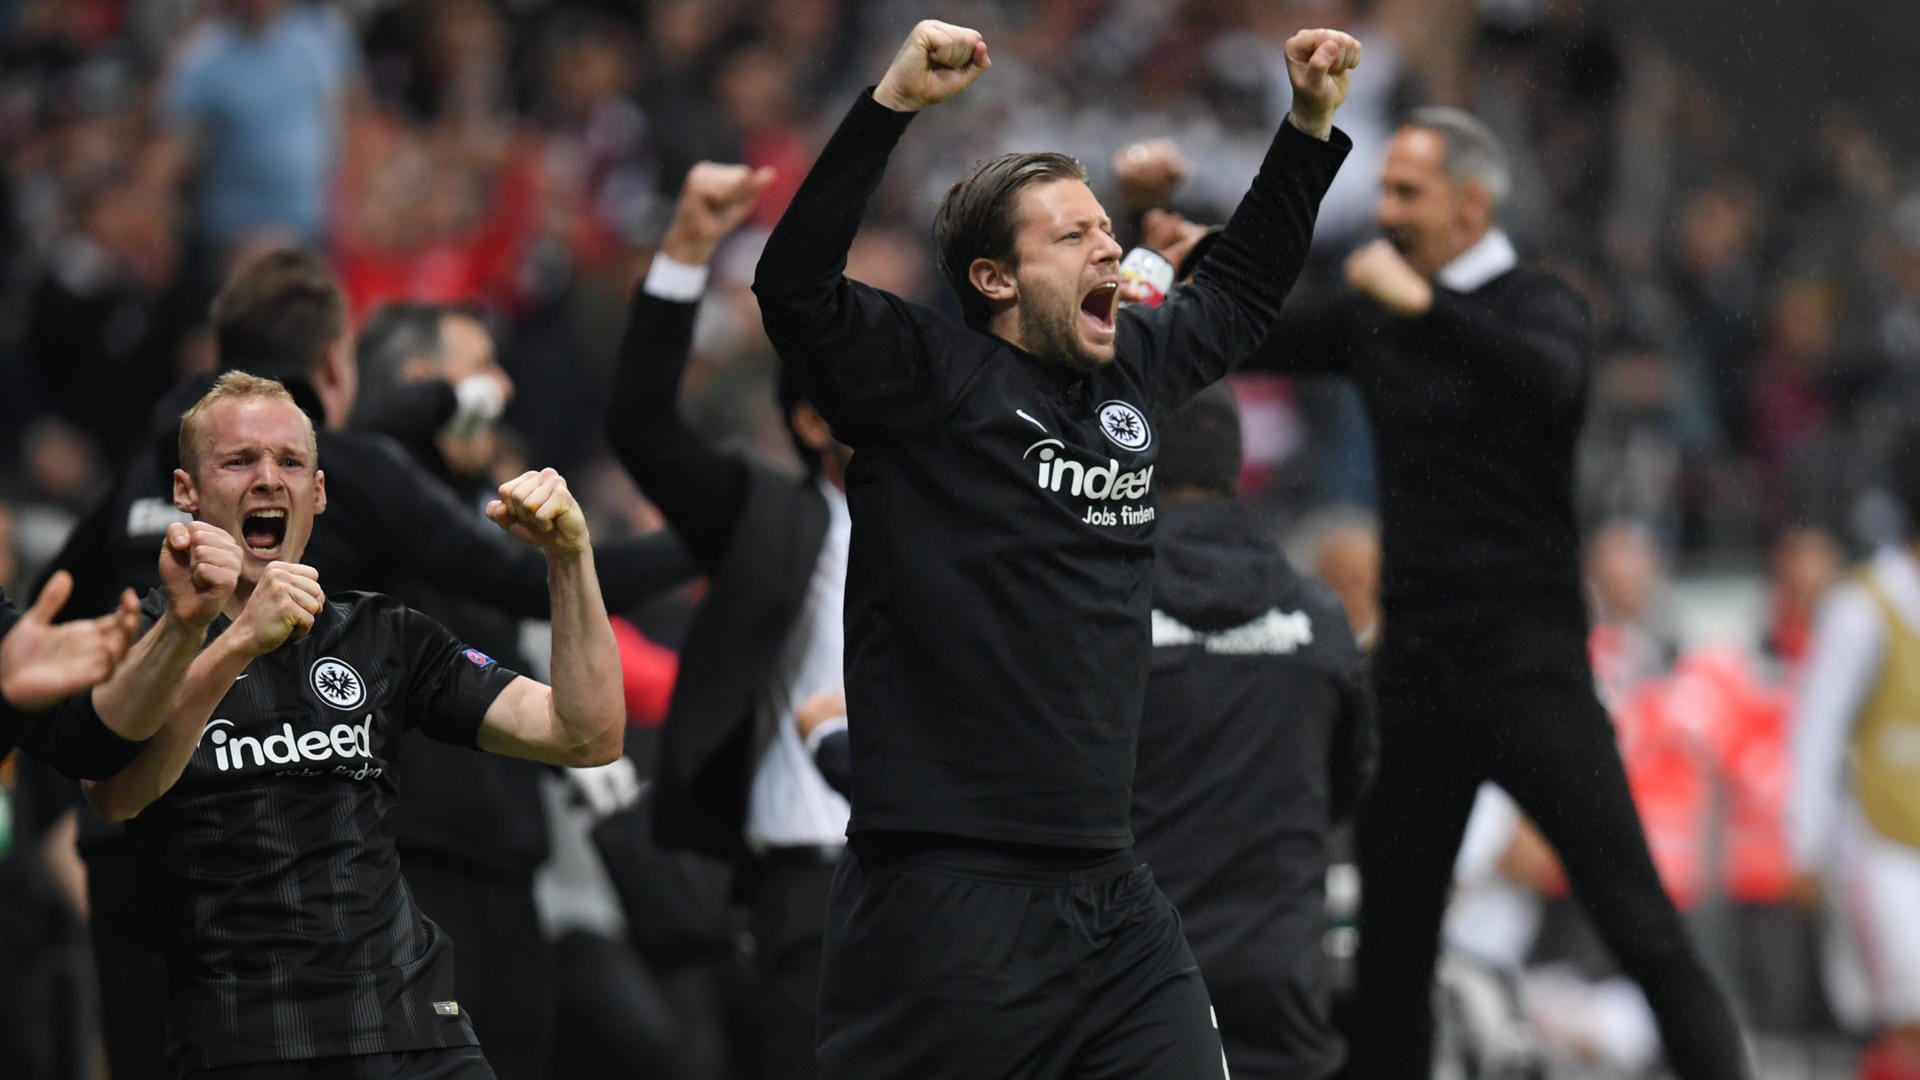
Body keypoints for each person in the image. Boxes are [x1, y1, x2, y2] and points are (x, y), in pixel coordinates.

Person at [753, 18, 1356, 1076]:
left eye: (1104, 230)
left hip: (1108, 882)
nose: (1109, 248)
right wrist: (890, 102)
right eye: (1073, 235)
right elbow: (794, 287)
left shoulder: (1128, 379)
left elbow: (1244, 291)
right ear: (994, 278)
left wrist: (1307, 125)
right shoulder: (922, 381)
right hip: (944, 893)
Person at [42, 247, 693, 1080]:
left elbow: (588, 731)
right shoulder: (149, 653)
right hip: (251, 1043)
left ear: (319, 492)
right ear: (188, 492)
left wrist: (572, 561)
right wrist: (235, 637)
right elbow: (119, 792)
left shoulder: (383, 635)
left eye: (290, 464)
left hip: (414, 1034)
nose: (267, 481)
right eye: (239, 463)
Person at [1221, 106, 1746, 1076]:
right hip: (1416, 678)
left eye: (1406, 192)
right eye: (1384, 190)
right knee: (1390, 957)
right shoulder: (1380, 306)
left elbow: (1548, 382)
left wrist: (1429, 308)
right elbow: (1254, 332)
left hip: (1530, 675)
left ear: (1472, 204)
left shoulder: (1540, 304)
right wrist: (1188, 251)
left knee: (1641, 926)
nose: (1386, 211)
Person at [606, 160, 851, 1080]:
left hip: (952, 879)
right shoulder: (769, 513)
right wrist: (685, 254)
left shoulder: (959, 514)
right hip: (811, 879)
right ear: (813, 424)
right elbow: (644, 428)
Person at [1128, 383, 1373, 1079]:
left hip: (1138, 980)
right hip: (1282, 978)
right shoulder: (1319, 615)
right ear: (1233, 465)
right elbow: (1349, 783)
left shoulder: (1097, 610)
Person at [1790, 422, 1920, 1075]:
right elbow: (1816, 730)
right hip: (1881, 847)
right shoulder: (1863, 608)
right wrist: (1805, 844)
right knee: (1909, 1009)